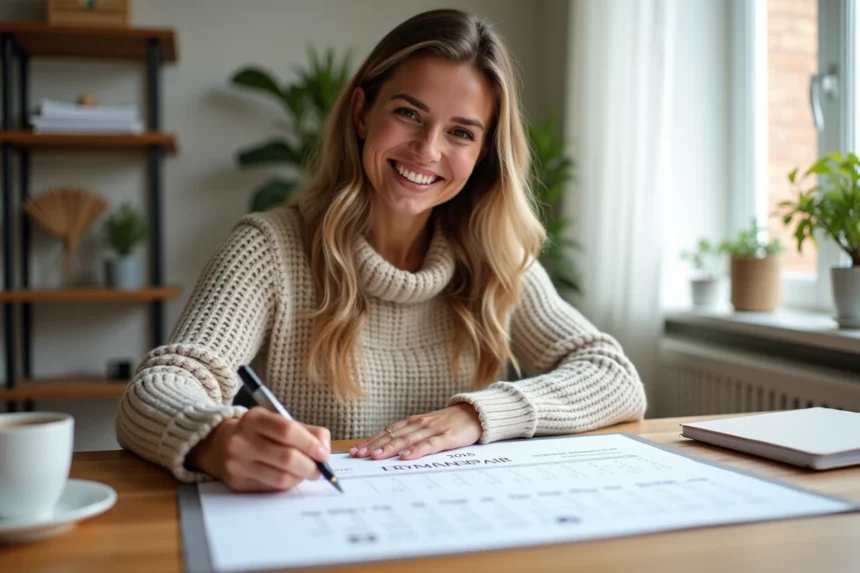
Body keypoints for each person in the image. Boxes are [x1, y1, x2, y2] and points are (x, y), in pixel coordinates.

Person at [115, 8, 647, 492]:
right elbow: (157, 388)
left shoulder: (494, 260)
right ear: (363, 112)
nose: (428, 149)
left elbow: (613, 375)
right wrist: (217, 439)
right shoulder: (269, 248)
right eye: (410, 114)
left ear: (484, 153)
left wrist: (479, 415)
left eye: (461, 132)